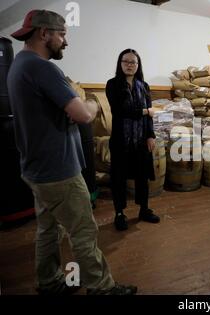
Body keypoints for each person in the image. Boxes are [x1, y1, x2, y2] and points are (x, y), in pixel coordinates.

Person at [7, 10, 136, 295]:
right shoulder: (43, 67)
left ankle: (49, 281)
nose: (65, 41)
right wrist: (88, 104)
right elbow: (83, 114)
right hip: (59, 171)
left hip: (35, 168)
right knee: (83, 230)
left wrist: (70, 105)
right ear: (44, 33)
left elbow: (55, 110)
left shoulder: (19, 64)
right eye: (62, 34)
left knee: (48, 228)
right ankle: (101, 288)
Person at [106, 49, 160, 231]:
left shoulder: (143, 86)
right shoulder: (113, 84)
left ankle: (144, 209)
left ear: (138, 65)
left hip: (140, 140)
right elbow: (120, 110)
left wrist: (151, 135)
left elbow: (150, 115)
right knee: (119, 178)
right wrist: (145, 111)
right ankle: (119, 213)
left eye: (133, 62)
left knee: (142, 177)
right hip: (121, 141)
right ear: (120, 64)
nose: (129, 65)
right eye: (126, 61)